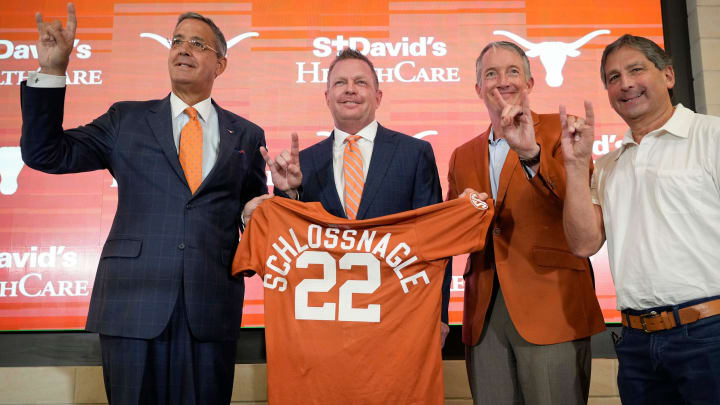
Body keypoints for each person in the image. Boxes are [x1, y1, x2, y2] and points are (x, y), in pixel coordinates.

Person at [20, 4, 267, 403]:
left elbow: (252, 210)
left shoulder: (248, 134)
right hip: (131, 301)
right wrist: (52, 72)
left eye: (198, 44)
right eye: (177, 41)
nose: (183, 49)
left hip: (209, 305)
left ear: (220, 64)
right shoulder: (125, 120)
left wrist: (265, 207)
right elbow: (46, 153)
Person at [243, 48, 452, 342]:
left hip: (399, 315)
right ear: (327, 97)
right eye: (340, 83)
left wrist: (439, 313)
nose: (350, 89)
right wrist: (289, 193)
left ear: (378, 97)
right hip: (324, 321)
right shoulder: (305, 163)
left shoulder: (414, 154)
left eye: (361, 82)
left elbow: (437, 238)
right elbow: (291, 245)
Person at [562, 34, 720, 404]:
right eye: (613, 78)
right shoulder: (608, 165)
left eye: (636, 70)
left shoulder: (711, 136)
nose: (625, 83)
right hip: (636, 344)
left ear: (668, 75)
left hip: (710, 334)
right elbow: (583, 243)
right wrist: (573, 164)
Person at [446, 41, 605, 404]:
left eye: (512, 71)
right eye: (491, 73)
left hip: (552, 306)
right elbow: (455, 234)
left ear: (530, 84)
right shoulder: (461, 155)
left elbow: (575, 208)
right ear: (477, 89)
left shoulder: (564, 131)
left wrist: (531, 155)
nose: (502, 81)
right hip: (484, 315)